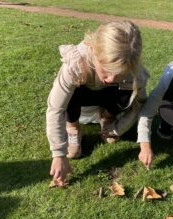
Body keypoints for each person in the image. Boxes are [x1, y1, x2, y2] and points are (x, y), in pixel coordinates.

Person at [46, 20, 149, 186]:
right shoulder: (76, 63)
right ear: (94, 50)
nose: (111, 79)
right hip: (82, 95)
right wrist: (58, 154)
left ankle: (107, 119)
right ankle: (73, 127)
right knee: (71, 97)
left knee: (128, 92)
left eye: (119, 74)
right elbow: (55, 108)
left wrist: (119, 128)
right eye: (107, 71)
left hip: (107, 98)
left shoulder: (132, 69)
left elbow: (141, 103)